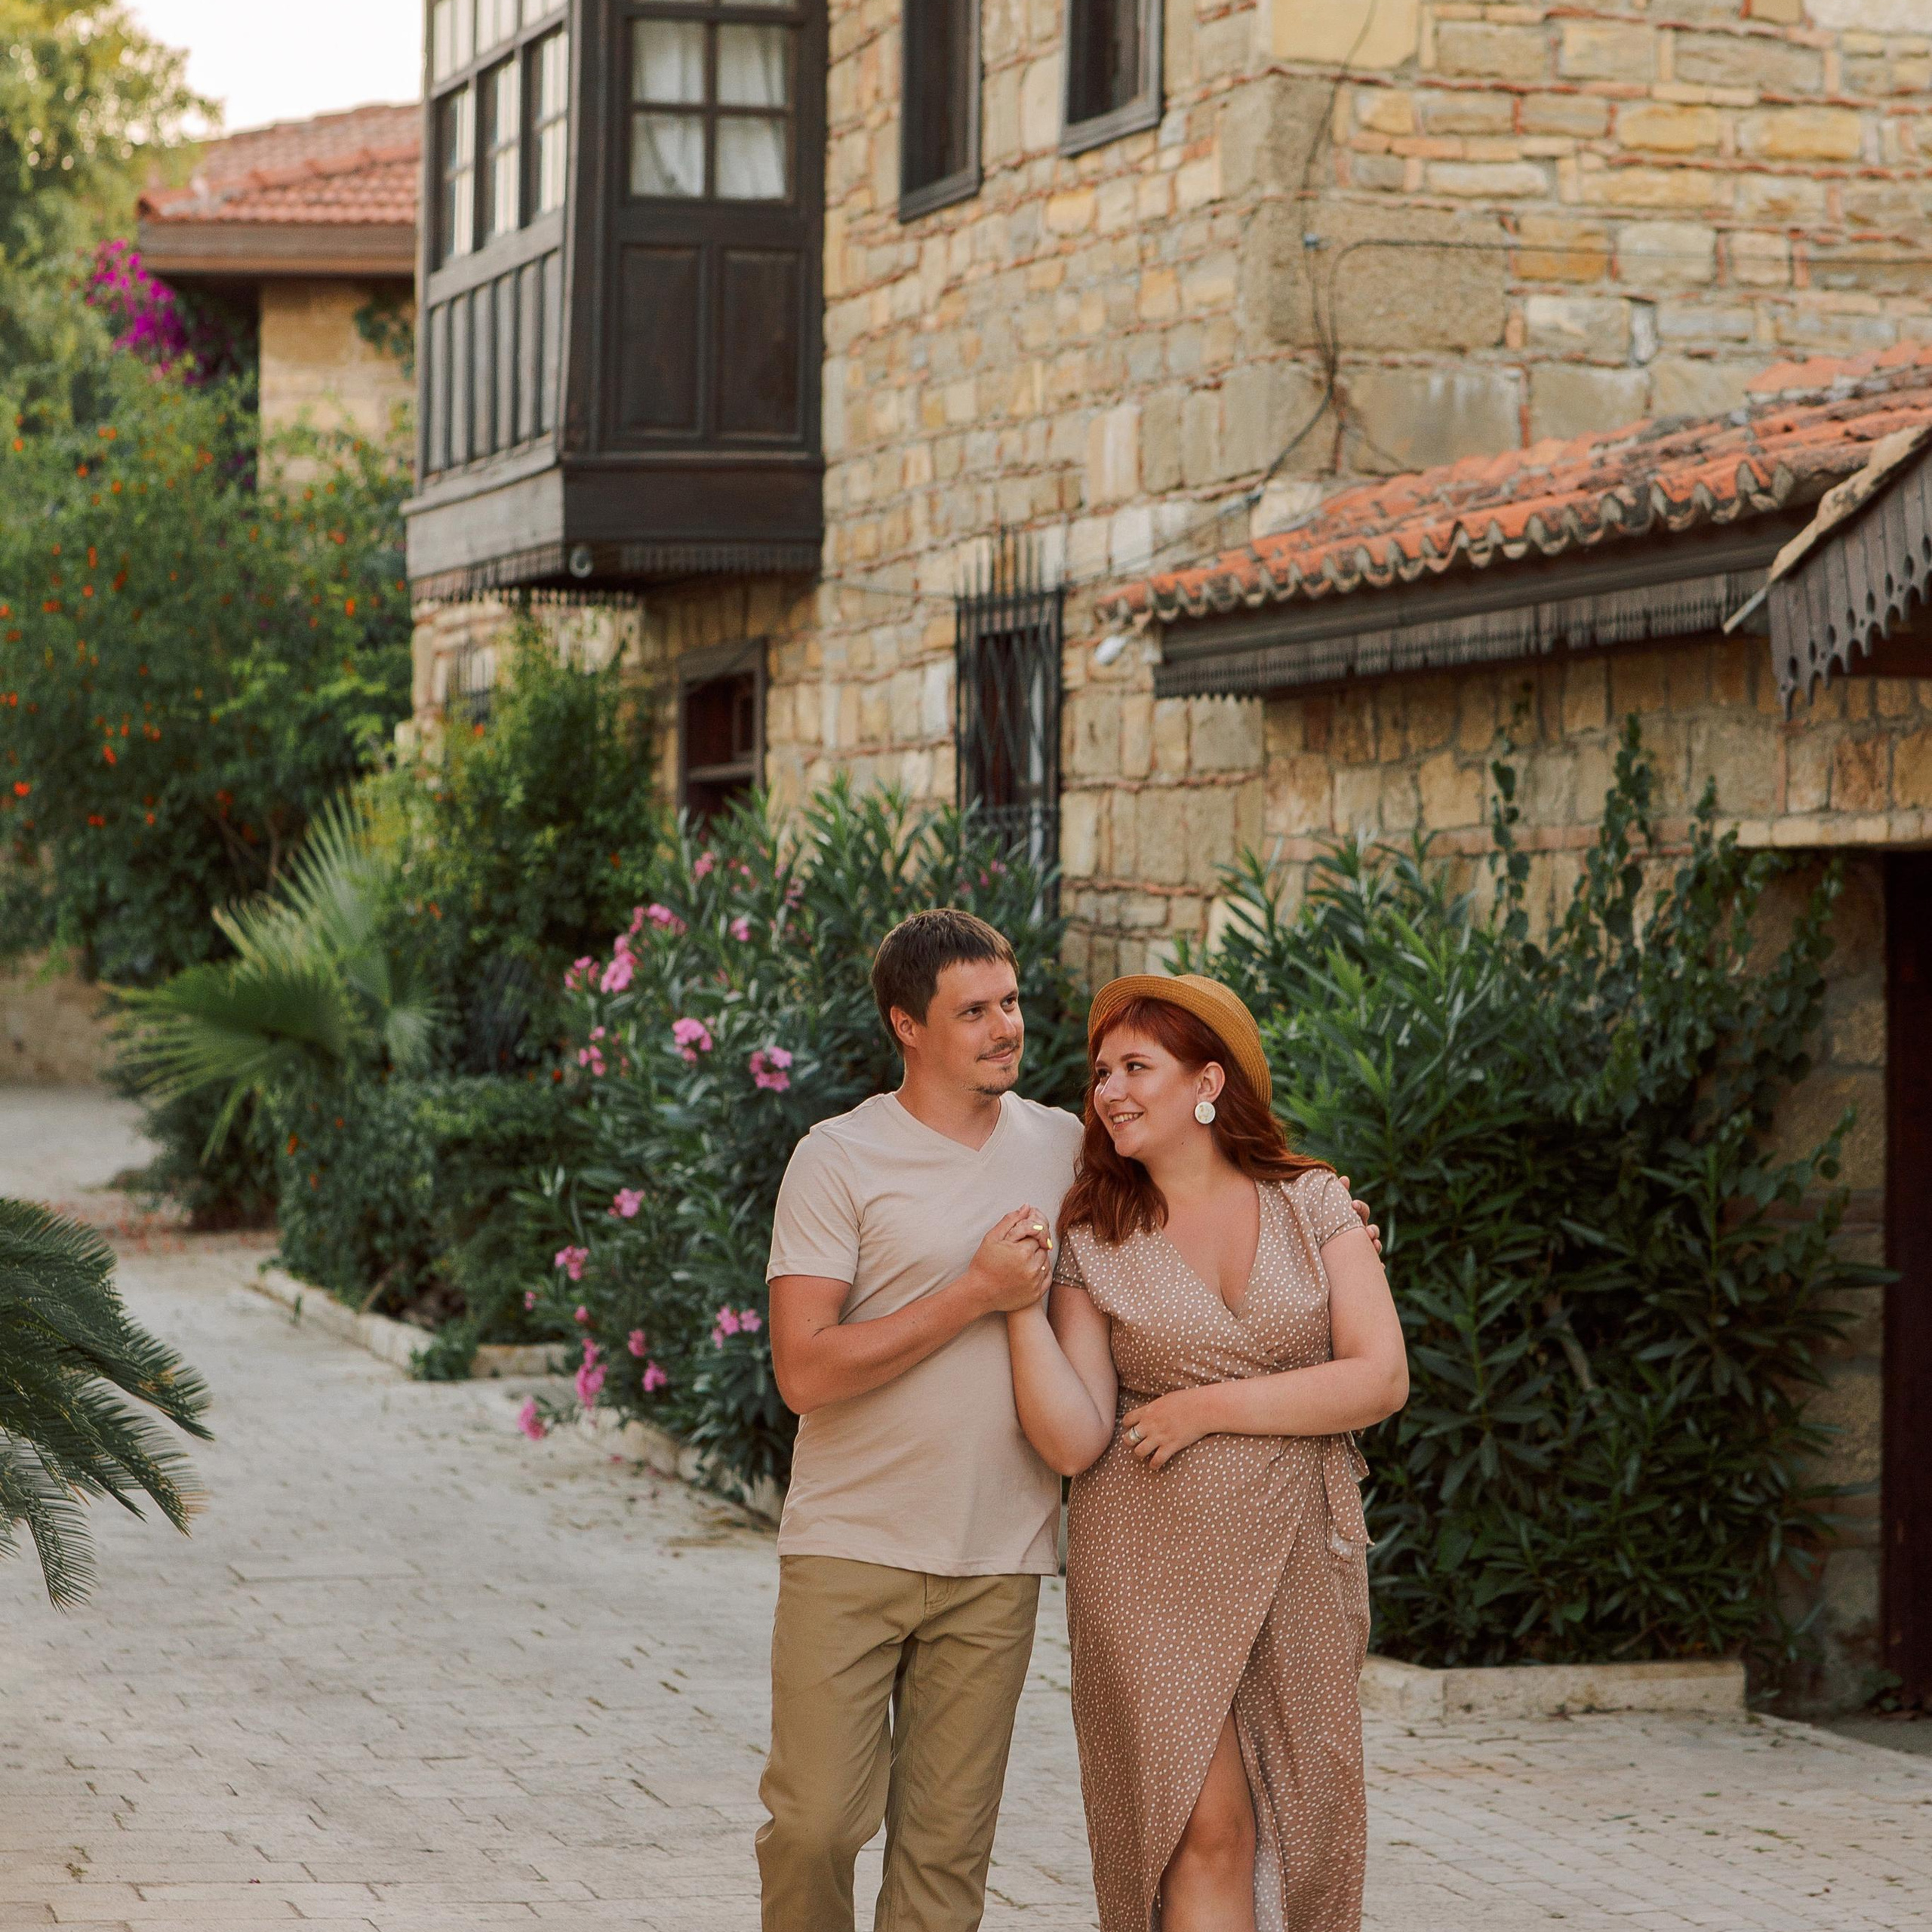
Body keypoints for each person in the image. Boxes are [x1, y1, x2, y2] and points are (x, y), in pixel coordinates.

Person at [759, 915, 1380, 1932]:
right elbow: (802, 1371)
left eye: (1009, 1002)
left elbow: (1193, 1182)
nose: (1006, 1026)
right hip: (854, 1536)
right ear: (907, 1026)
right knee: (815, 1825)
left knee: (946, 1858)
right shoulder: (838, 1158)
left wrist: (1327, 1224)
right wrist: (978, 1293)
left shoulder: (1068, 1149)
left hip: (1001, 1553)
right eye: (973, 1011)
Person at [1005, 974, 1409, 1932]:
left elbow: (1380, 1377)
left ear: (1208, 1082)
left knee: (1307, 1824)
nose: (1108, 1091)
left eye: (1134, 1067)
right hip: (1147, 1562)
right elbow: (1076, 1436)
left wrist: (1202, 1409)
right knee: (1206, 1826)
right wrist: (1016, 1312)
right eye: (1101, 1072)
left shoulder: (1313, 1203)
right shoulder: (1094, 1234)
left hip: (1300, 1555)